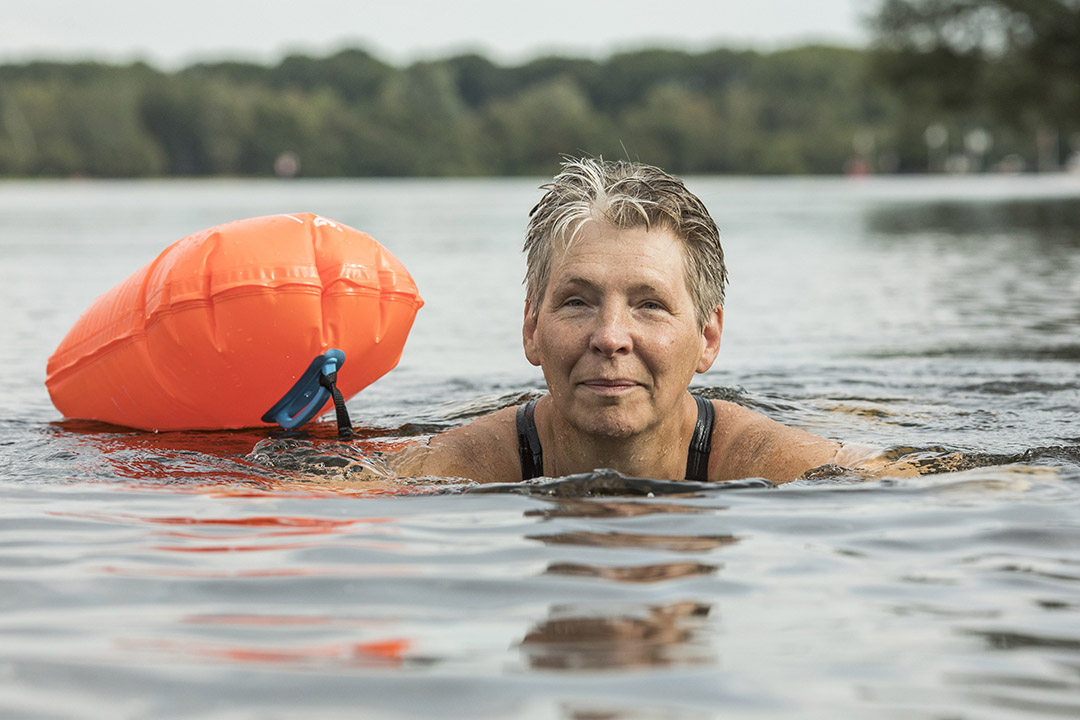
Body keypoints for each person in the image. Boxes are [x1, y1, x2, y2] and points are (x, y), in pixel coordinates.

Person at [399, 158, 871, 484]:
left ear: (707, 338)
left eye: (649, 305)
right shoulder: (449, 466)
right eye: (577, 302)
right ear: (531, 329)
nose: (609, 338)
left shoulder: (783, 464)